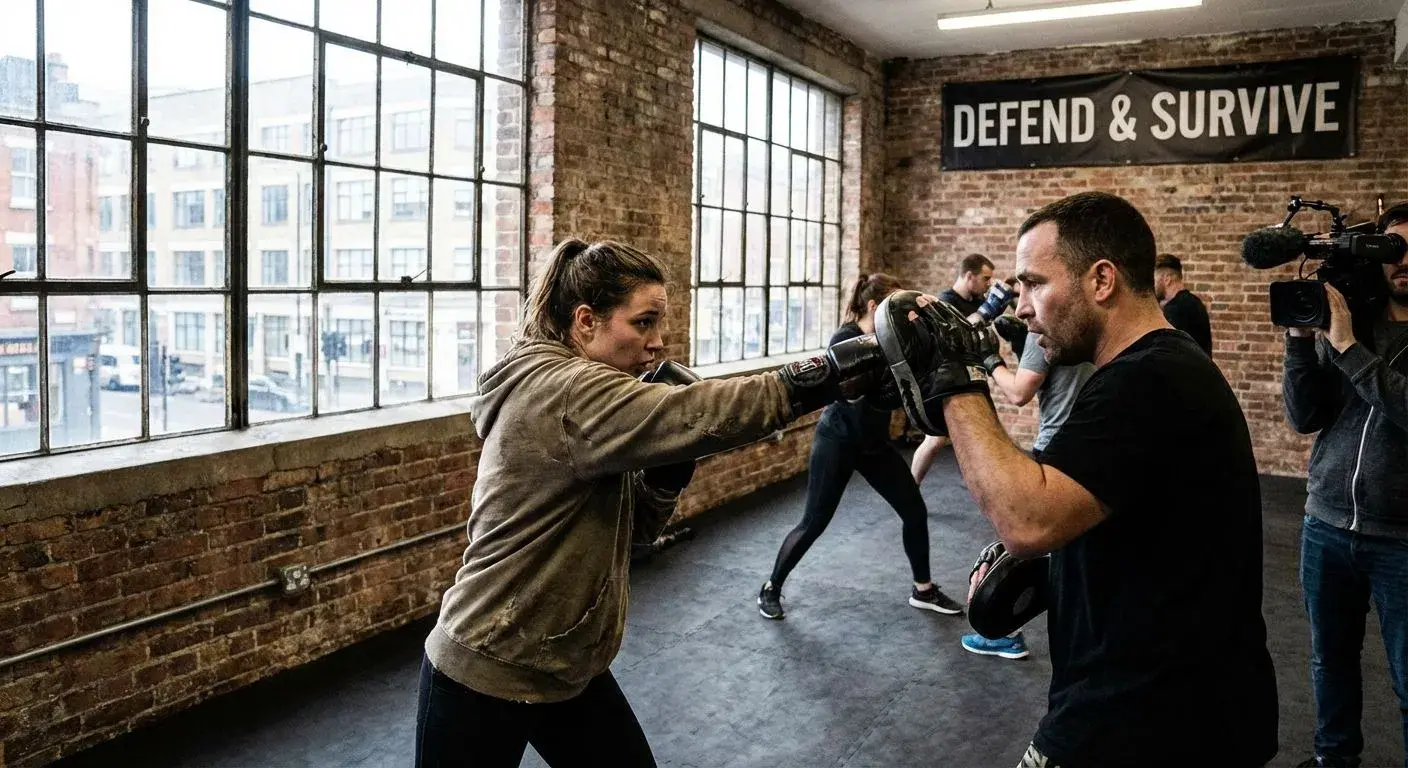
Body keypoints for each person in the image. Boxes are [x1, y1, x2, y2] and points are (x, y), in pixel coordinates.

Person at [417, 239, 887, 768]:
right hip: (488, 663)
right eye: (643, 323)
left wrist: (665, 477)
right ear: (586, 321)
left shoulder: (590, 402)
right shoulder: (566, 390)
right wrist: (837, 369)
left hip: (565, 662)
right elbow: (703, 412)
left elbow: (633, 533)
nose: (658, 343)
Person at [887, 191, 1278, 767]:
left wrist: (956, 378)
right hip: (1173, 701)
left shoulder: (1149, 379)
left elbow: (1027, 518)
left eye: (1034, 284)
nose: (1021, 307)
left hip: (1148, 718)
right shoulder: (1151, 369)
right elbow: (1137, 519)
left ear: (1101, 280)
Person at [758, 273, 965, 621]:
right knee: (814, 522)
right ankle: (771, 587)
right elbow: (856, 393)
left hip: (873, 444)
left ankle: (923, 589)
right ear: (873, 305)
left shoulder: (886, 338)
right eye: (890, 304)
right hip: (838, 440)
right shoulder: (846, 338)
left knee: (914, 511)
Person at [1283, 202, 1408, 768]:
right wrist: (1299, 342)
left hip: (1401, 539)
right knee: (1329, 661)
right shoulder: (1351, 321)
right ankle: (1335, 760)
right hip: (1326, 524)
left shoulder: (1351, 337)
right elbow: (1305, 416)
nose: (1403, 262)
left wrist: (1348, 349)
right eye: (1394, 249)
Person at [960, 331, 1094, 660]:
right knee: (1072, 550)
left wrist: (990, 359)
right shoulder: (1088, 328)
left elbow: (1019, 393)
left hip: (1054, 448)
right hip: (1086, 445)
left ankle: (1005, 635)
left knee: (1024, 541)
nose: (1022, 307)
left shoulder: (1042, 331)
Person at [910, 253, 995, 483]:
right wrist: (983, 314)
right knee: (935, 440)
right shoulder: (943, 302)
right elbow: (948, 338)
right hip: (946, 380)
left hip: (971, 377)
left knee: (984, 434)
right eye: (985, 278)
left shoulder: (977, 300)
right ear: (969, 276)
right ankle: (911, 488)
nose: (988, 284)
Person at [1154, 254, 1213, 358]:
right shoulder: (1194, 302)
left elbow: (1167, 355)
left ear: (1167, 279)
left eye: (1154, 280)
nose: (1152, 285)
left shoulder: (1175, 309)